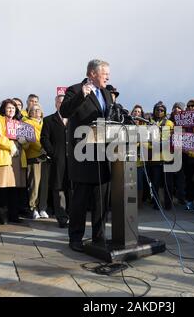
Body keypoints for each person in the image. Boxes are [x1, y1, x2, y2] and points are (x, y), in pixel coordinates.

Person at [59, 59, 114, 252]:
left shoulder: (107, 93)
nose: (108, 76)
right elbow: (65, 111)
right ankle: (75, 238)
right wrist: (81, 96)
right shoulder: (75, 90)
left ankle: (99, 236)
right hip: (83, 154)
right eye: (105, 73)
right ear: (92, 73)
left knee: (101, 200)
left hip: (103, 155)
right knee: (80, 200)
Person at [0, 99, 28, 224]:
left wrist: (24, 141)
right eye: (8, 108)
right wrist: (10, 145)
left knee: (15, 189)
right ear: (3, 109)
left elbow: (26, 143)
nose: (11, 110)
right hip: (4, 156)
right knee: (3, 188)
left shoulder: (19, 122)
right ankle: (2, 216)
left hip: (17, 158)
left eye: (13, 108)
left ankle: (14, 215)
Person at [40, 95, 70, 228]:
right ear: (55, 104)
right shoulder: (48, 120)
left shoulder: (74, 119)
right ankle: (62, 218)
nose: (61, 104)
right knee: (59, 189)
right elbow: (44, 139)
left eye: (64, 102)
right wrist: (53, 153)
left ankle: (73, 216)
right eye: (59, 102)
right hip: (58, 161)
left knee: (73, 189)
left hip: (74, 160)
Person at [24, 103, 49, 220]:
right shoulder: (27, 123)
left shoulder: (45, 122)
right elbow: (32, 139)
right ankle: (33, 208)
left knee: (44, 184)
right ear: (29, 113)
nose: (36, 111)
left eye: (38, 109)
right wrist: (43, 148)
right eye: (33, 110)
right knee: (35, 184)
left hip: (46, 157)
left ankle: (43, 207)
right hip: (34, 156)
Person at [149, 101, 175, 210]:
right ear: (154, 111)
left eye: (162, 110)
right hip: (154, 157)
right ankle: (156, 204)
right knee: (155, 183)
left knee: (168, 183)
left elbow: (172, 139)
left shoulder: (169, 123)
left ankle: (168, 204)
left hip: (167, 157)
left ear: (165, 112)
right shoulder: (149, 123)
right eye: (157, 110)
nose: (159, 112)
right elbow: (146, 139)